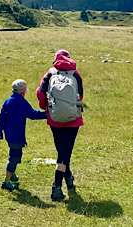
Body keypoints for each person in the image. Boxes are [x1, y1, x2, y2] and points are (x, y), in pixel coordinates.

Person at [37, 49, 84, 202]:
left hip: (55, 119)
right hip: (73, 120)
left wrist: (47, 108)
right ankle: (57, 186)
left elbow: (40, 93)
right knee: (65, 153)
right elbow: (80, 95)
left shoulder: (50, 74)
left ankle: (67, 179)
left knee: (62, 151)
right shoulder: (75, 74)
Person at [0, 79, 47, 191]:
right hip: (17, 135)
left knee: (15, 154)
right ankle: (7, 181)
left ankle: (12, 174)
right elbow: (32, 114)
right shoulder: (21, 102)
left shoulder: (8, 101)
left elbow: (1, 117)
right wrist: (47, 114)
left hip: (9, 134)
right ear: (23, 91)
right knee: (14, 157)